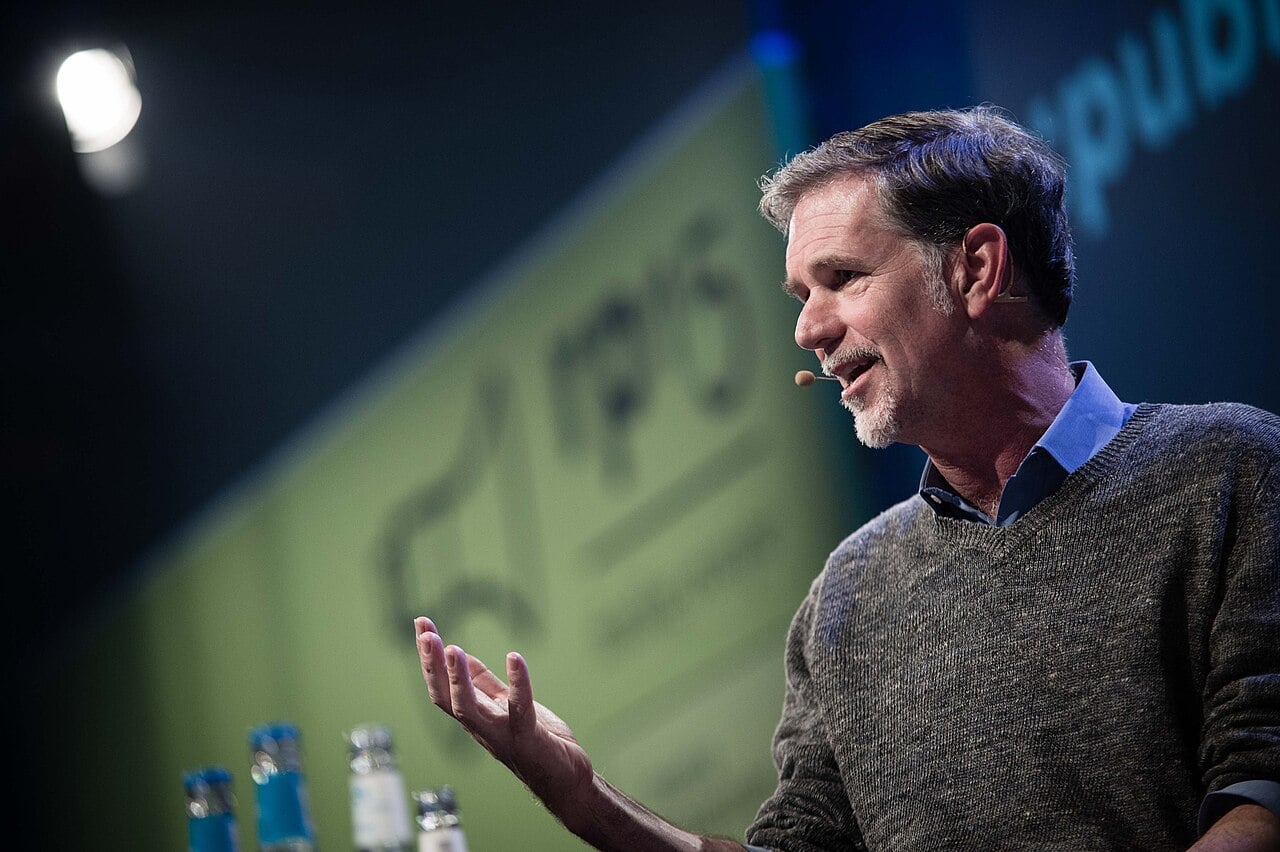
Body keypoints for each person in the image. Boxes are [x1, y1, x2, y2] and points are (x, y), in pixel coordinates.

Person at [413, 105, 1280, 850]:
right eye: (799, 295)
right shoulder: (846, 599)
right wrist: (575, 791)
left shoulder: (1230, 473)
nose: (808, 331)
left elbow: (1264, 791)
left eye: (842, 278)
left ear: (976, 268)